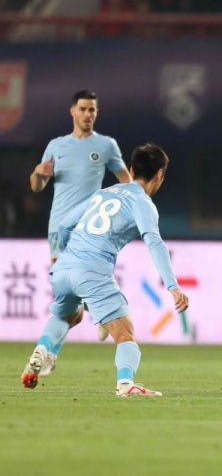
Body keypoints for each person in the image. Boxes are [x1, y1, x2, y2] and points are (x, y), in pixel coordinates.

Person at [21, 143, 188, 397]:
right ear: (159, 174)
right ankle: (125, 384)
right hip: (91, 271)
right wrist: (173, 286)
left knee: (68, 315)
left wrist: (61, 252)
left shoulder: (103, 193)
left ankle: (42, 350)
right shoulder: (142, 203)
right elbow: (154, 243)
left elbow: (65, 225)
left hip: (63, 267)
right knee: (125, 333)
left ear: (131, 170)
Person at [29, 90, 132, 375]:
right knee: (69, 304)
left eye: (92, 110)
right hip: (59, 231)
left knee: (69, 303)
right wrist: (38, 173)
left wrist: (125, 207)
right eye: (83, 109)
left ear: (96, 113)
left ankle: (49, 351)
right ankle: (97, 311)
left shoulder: (106, 145)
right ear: (72, 111)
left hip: (89, 230)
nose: (88, 114)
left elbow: (126, 182)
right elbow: (37, 186)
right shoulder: (56, 145)